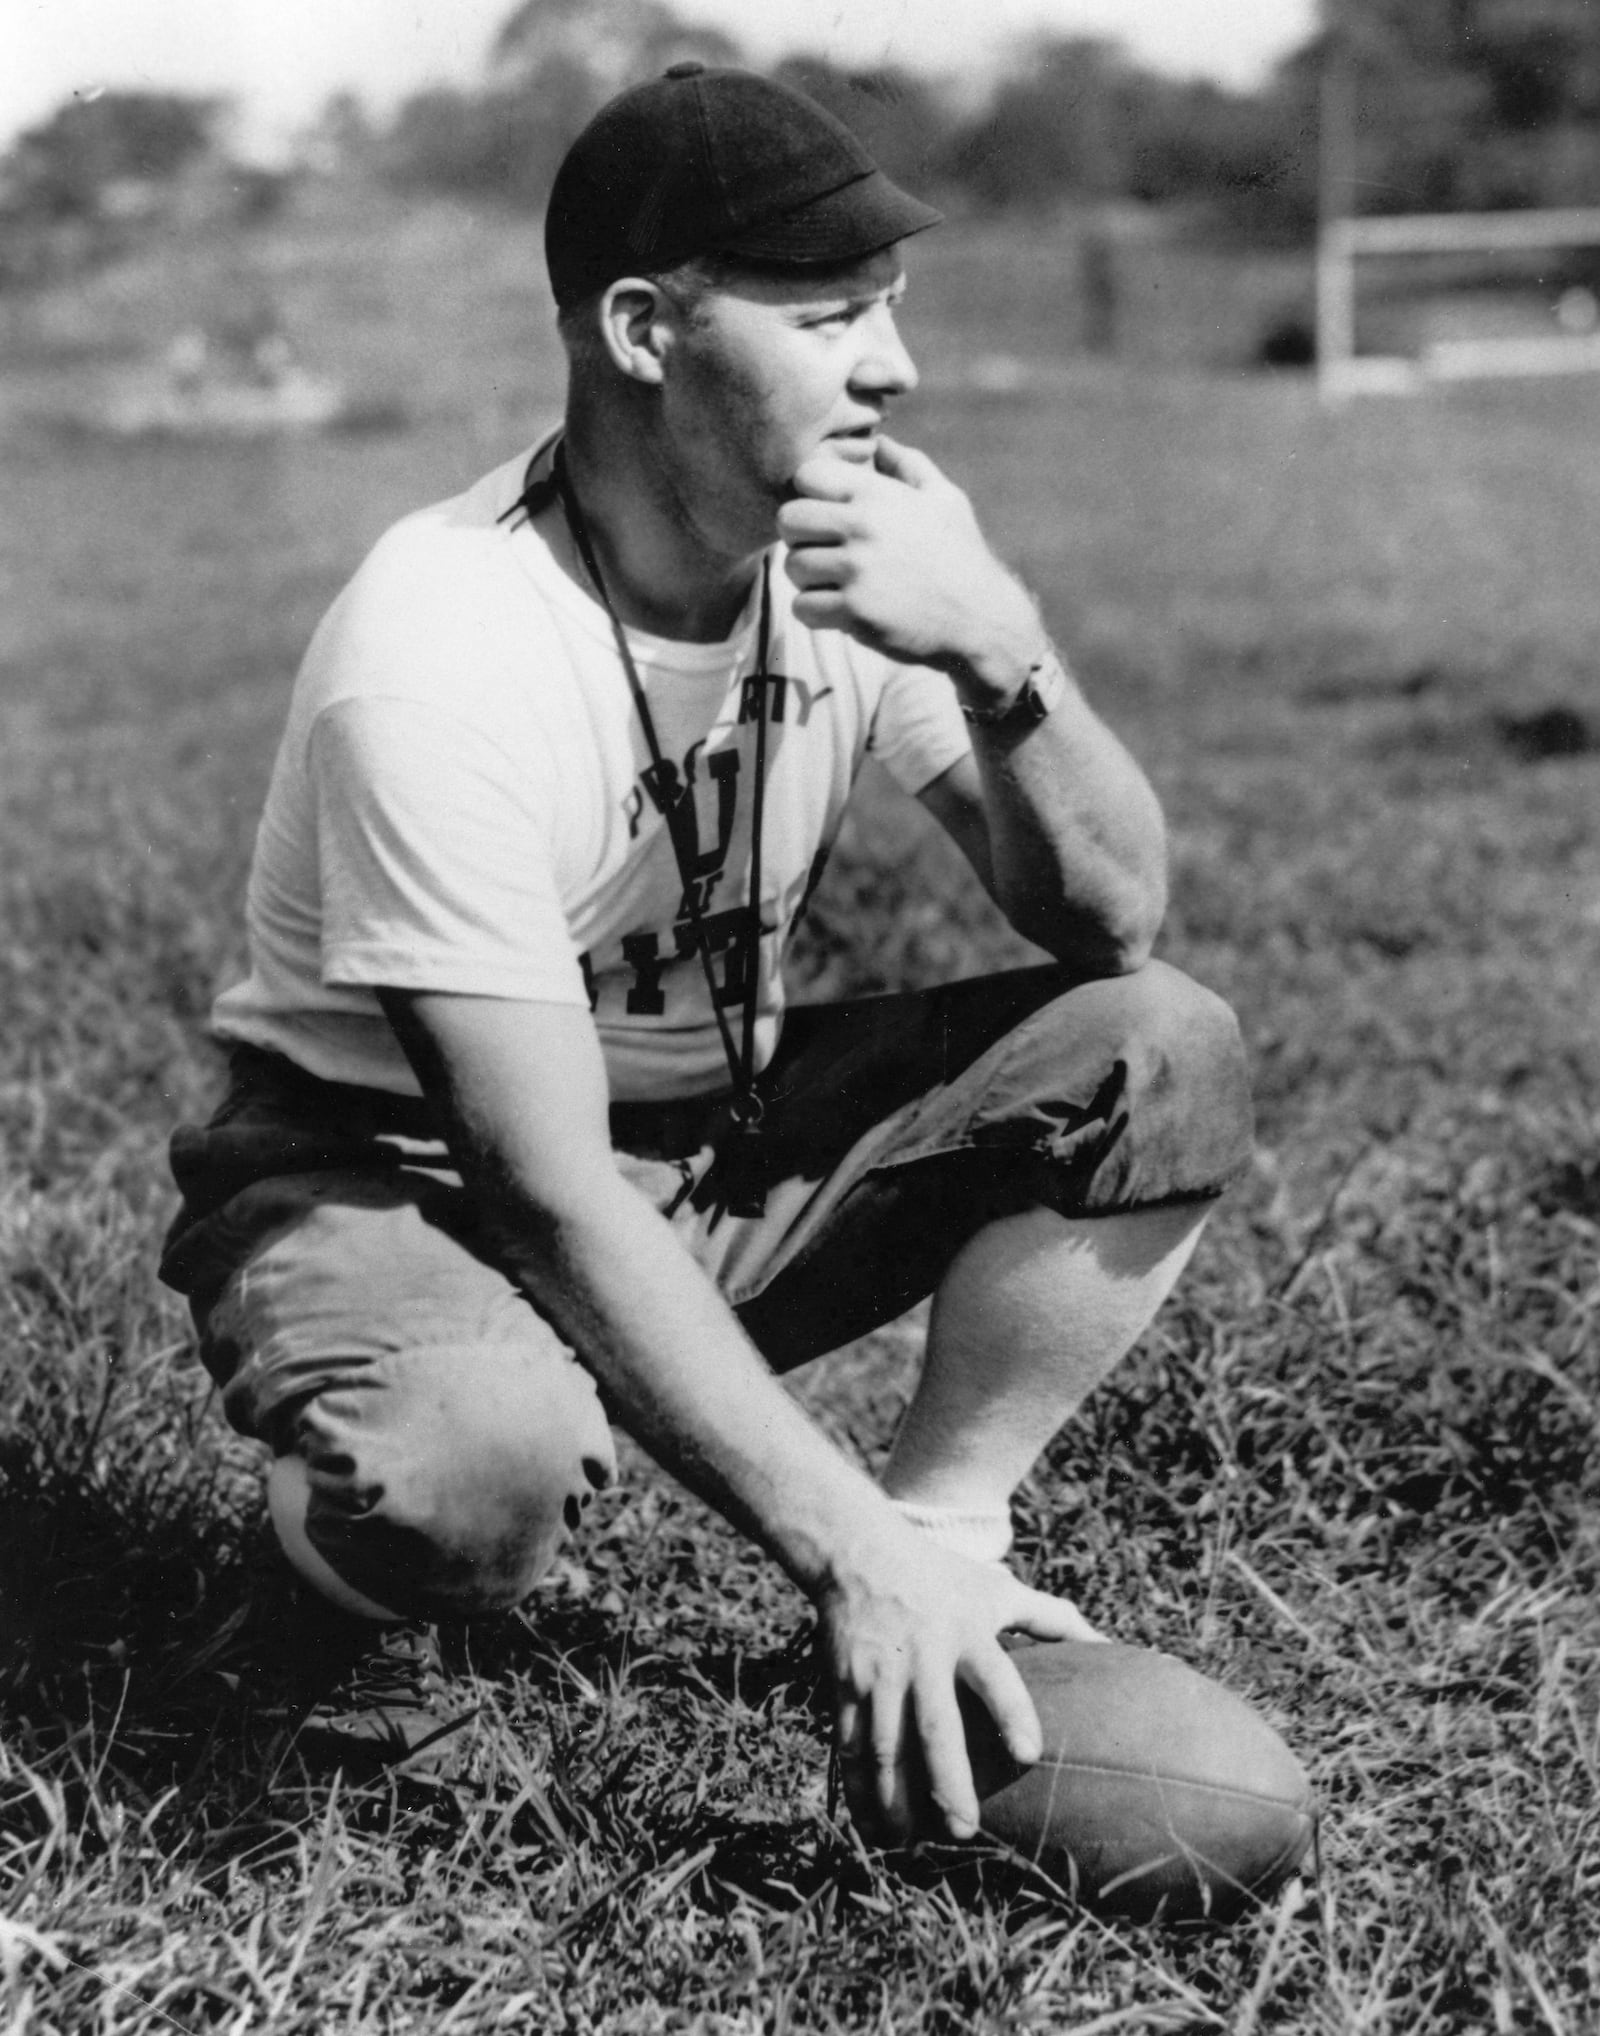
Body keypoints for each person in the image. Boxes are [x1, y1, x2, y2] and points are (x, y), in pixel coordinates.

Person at [159, 64, 1253, 1845]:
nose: (892, 367)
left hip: (695, 1135)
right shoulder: (439, 649)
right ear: (644, 331)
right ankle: (331, 1589)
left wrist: (1003, 655)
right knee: (472, 1476)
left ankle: (955, 1547)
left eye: (887, 311)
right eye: (832, 320)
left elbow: (1112, 918)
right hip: (391, 1177)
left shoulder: (850, 543)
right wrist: (839, 1558)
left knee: (1160, 1042)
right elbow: (538, 1186)